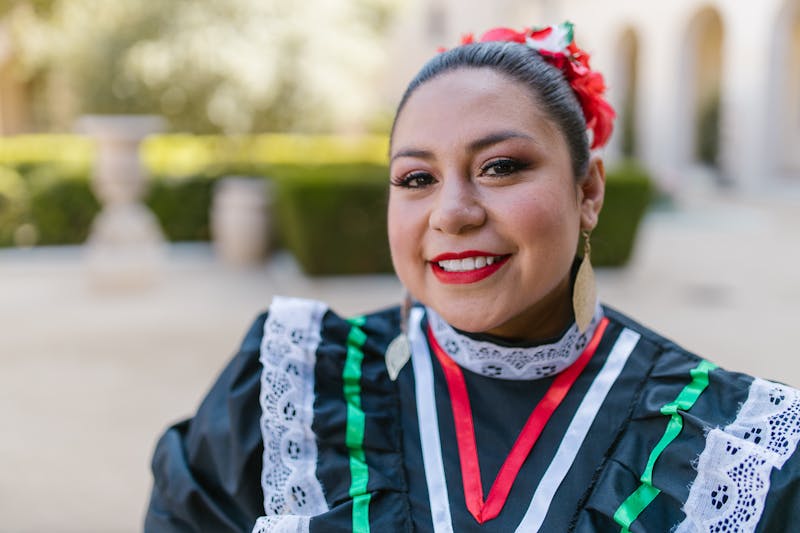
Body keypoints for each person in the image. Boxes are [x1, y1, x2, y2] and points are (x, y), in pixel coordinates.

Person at [145, 22, 800, 532]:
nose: (452, 212)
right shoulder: (288, 390)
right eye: (417, 178)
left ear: (589, 190)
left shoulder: (727, 450)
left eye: (501, 166)